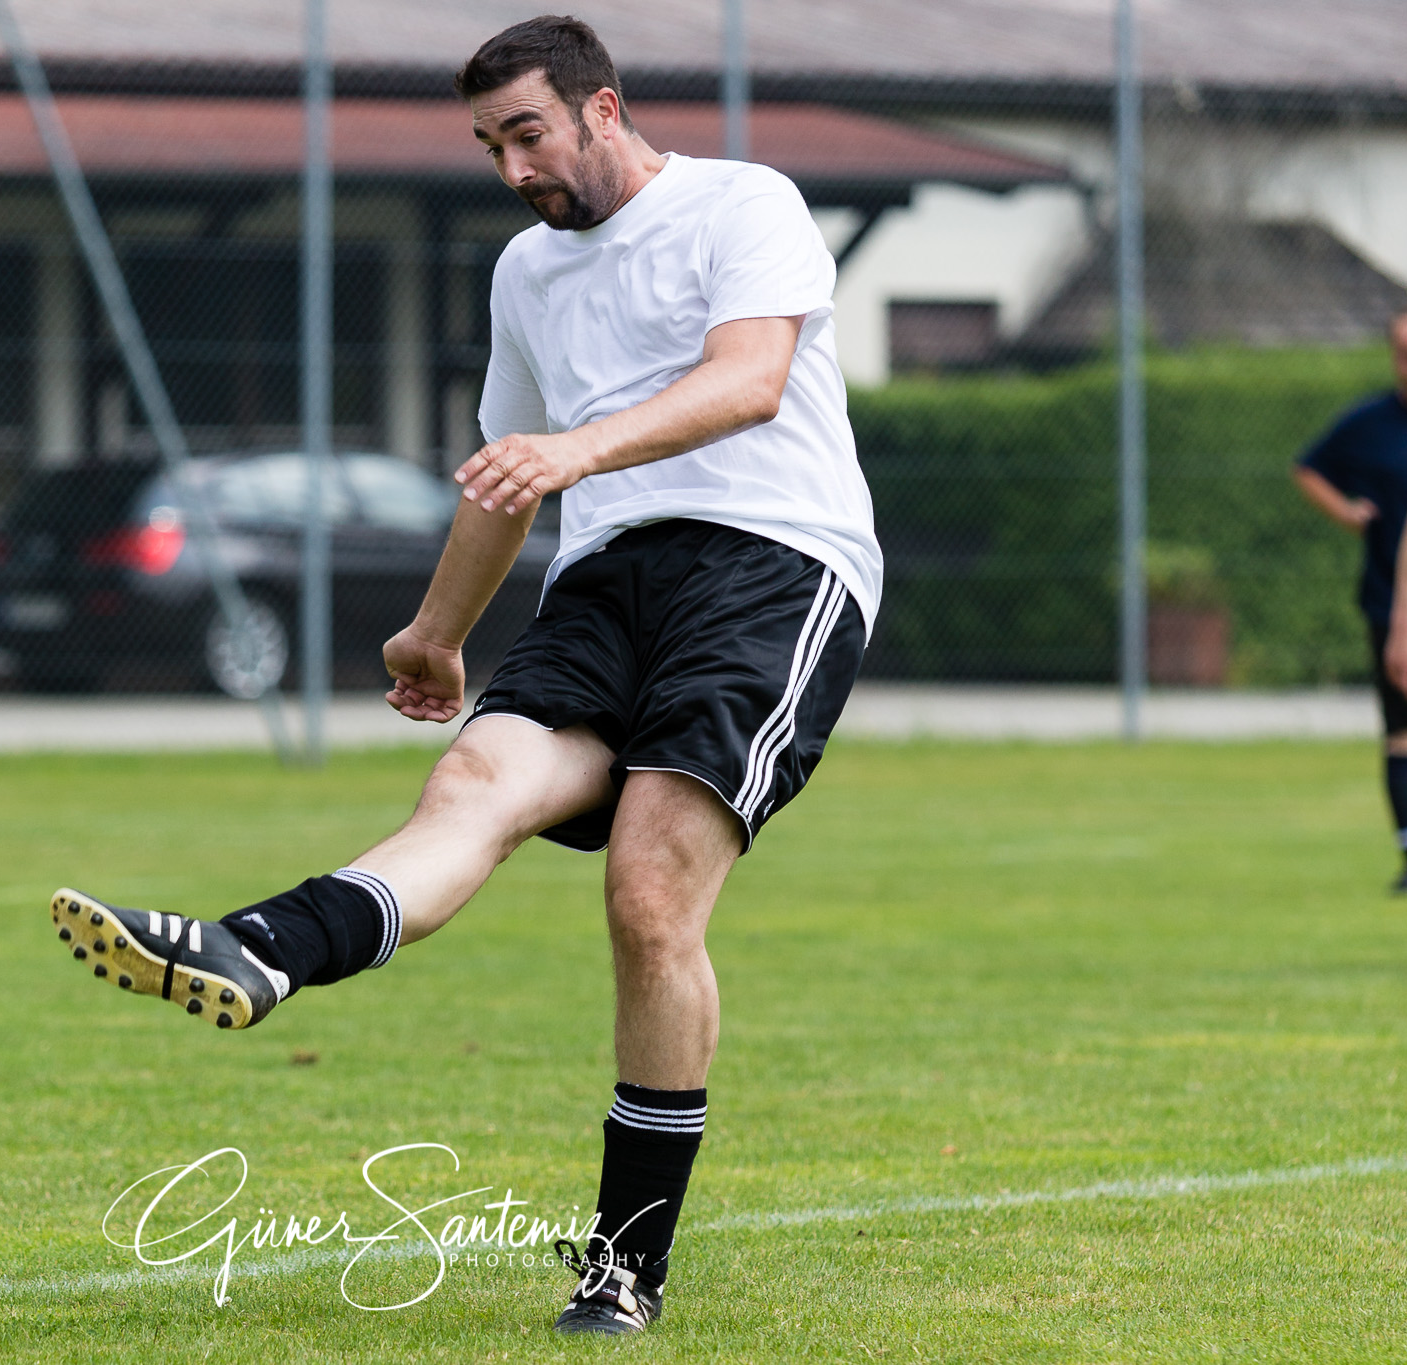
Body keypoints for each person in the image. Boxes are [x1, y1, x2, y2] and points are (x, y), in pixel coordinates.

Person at [48, 15, 880, 1335]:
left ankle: (625, 1264)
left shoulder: (744, 202)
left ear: (602, 109)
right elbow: (507, 474)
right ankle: (258, 949)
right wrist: (436, 631)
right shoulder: (526, 274)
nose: (511, 169)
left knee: (649, 894)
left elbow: (749, 383)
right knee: (471, 783)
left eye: (528, 134)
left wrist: (579, 452)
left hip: (773, 566)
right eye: (490, 144)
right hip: (608, 577)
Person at [1293, 310, 1407, 891]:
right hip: (1392, 604)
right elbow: (1307, 468)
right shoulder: (1369, 424)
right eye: (1405, 353)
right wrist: (1345, 513)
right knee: (1403, 733)